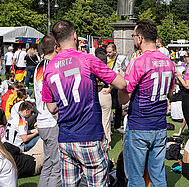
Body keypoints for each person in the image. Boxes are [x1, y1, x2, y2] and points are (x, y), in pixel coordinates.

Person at [42, 20, 126, 186]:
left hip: (65, 138)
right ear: (75, 36)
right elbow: (121, 84)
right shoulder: (87, 59)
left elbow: (51, 107)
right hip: (90, 135)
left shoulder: (50, 68)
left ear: (57, 43)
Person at [117, 20, 175, 187]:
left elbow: (124, 99)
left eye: (134, 36)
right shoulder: (168, 62)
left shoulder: (138, 61)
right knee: (158, 175)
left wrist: (119, 82)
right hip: (160, 125)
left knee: (135, 178)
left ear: (140, 38)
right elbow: (170, 94)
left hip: (140, 125)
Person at [34, 34, 61, 187]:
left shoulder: (39, 65)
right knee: (57, 165)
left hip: (43, 121)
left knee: (49, 163)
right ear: (56, 47)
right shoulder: (50, 66)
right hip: (51, 121)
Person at [106, 43, 129, 133]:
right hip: (107, 84)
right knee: (107, 106)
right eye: (107, 52)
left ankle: (117, 126)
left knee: (119, 105)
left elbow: (127, 68)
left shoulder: (121, 58)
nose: (108, 54)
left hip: (117, 84)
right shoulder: (104, 58)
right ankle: (108, 126)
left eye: (110, 52)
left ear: (115, 51)